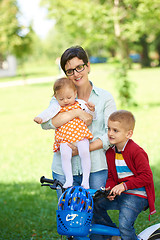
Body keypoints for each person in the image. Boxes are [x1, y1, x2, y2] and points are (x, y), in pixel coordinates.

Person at [41, 45, 117, 198]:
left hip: (95, 168)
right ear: (65, 74)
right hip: (63, 170)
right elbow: (46, 123)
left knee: (95, 212)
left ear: (88, 66)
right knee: (67, 214)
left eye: (79, 67)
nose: (76, 74)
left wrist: (84, 148)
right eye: (70, 71)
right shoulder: (59, 98)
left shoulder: (104, 98)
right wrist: (76, 112)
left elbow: (112, 135)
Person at [91, 110, 156, 240]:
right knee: (94, 204)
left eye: (115, 130)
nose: (110, 133)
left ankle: (123, 234)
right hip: (122, 193)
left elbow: (147, 176)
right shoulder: (110, 152)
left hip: (137, 195)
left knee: (125, 226)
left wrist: (124, 186)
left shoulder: (136, 152)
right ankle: (114, 234)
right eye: (108, 129)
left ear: (129, 133)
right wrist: (110, 189)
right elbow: (111, 176)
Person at [34, 77, 96, 189]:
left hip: (80, 135)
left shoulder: (80, 103)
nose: (66, 101)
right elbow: (48, 113)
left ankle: (85, 180)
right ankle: (68, 179)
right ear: (55, 97)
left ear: (75, 93)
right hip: (64, 138)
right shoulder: (57, 107)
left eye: (69, 97)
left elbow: (92, 117)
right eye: (61, 99)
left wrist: (91, 110)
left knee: (85, 153)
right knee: (65, 155)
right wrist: (40, 118)